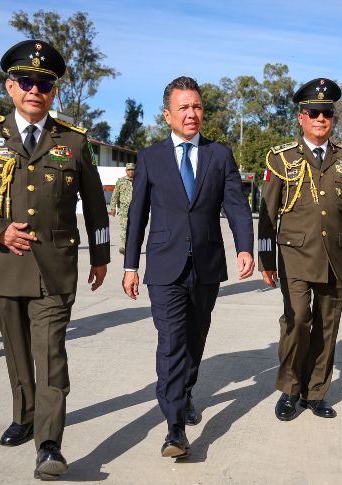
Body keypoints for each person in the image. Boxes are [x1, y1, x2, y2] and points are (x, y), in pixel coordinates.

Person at [0, 39, 110, 481]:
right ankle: (25, 415)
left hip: (55, 267)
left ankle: (50, 442)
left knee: (51, 353)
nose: (35, 89)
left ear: (53, 92)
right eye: (26, 81)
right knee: (17, 355)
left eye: (45, 83)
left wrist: (102, 255)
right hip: (0, 263)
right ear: (10, 87)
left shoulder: (73, 142)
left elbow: (95, 204)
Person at [122, 76, 254, 459]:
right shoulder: (150, 157)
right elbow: (137, 216)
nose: (192, 113)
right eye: (183, 107)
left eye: (196, 106)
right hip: (164, 267)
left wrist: (245, 247)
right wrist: (131, 265)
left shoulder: (219, 155)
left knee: (195, 339)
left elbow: (236, 206)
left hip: (207, 265)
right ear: (168, 115)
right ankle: (175, 427)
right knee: (171, 342)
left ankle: (186, 389)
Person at [257, 78, 342, 422]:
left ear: (333, 118)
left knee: (327, 326)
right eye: (313, 113)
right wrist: (267, 259)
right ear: (301, 117)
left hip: (335, 258)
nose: (320, 118)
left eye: (327, 113)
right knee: (297, 321)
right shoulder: (282, 159)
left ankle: (316, 393)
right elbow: (267, 215)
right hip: (293, 256)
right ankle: (291, 390)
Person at [109, 162, 135, 254]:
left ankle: (131, 247)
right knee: (124, 228)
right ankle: (123, 247)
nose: (131, 171)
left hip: (136, 210)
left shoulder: (138, 181)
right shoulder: (120, 181)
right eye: (129, 170)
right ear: (126, 171)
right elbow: (115, 195)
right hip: (124, 210)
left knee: (134, 229)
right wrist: (113, 207)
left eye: (132, 169)